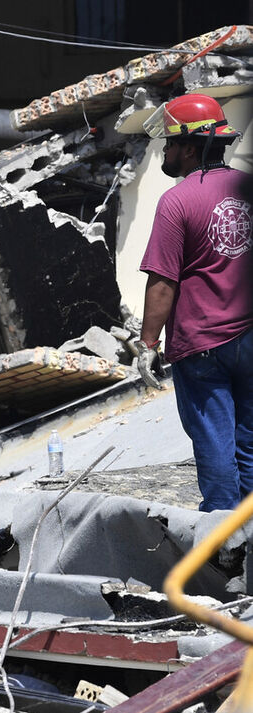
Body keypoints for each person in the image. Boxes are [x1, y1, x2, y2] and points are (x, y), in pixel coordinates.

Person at [138, 93, 252, 512]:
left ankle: (225, 545)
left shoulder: (177, 201)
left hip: (202, 345)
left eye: (168, 144)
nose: (164, 152)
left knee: (215, 446)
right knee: (250, 446)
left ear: (189, 146)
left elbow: (163, 282)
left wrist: (147, 345)